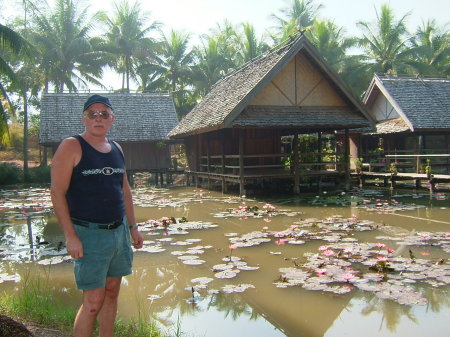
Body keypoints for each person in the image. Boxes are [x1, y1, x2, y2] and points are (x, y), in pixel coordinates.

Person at [50, 94, 144, 337]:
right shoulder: (71, 146)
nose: (98, 118)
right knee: (92, 303)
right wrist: (70, 236)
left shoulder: (117, 149)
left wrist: (133, 226)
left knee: (112, 293)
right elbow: (57, 192)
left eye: (104, 113)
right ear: (84, 118)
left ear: (112, 118)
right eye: (93, 114)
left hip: (119, 232)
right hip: (88, 233)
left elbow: (124, 190)